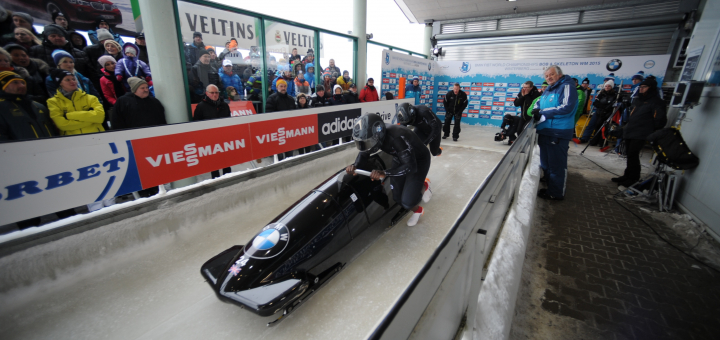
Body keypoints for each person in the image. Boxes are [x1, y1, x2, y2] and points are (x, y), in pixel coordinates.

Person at [346, 114, 432, 226]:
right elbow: (364, 153)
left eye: (367, 142)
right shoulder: (373, 136)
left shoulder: (396, 138)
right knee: (396, 197)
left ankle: (425, 186)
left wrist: (385, 173)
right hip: (399, 158)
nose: (366, 146)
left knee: (407, 202)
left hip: (418, 161)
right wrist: (355, 166)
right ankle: (418, 210)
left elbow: (410, 166)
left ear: (379, 134)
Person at [530, 65, 578, 201]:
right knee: (546, 162)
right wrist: (537, 110)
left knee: (556, 164)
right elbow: (538, 103)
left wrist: (543, 113)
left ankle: (556, 192)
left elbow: (567, 107)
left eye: (551, 74)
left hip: (558, 132)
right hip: (545, 130)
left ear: (559, 75)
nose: (549, 77)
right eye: (546, 76)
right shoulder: (549, 89)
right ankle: (550, 184)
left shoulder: (567, 87)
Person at [611, 77, 666, 188]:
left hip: (642, 132)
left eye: (644, 87)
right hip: (631, 130)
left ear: (650, 88)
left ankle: (633, 178)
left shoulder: (657, 102)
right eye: (640, 87)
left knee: (633, 155)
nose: (641, 89)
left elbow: (660, 120)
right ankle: (627, 175)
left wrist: (650, 130)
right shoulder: (638, 100)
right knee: (629, 155)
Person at [47, 68, 105, 136]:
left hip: (97, 137)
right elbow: (62, 125)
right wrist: (91, 120)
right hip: (72, 141)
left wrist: (68, 115)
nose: (72, 81)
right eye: (67, 80)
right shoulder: (53, 102)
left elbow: (100, 117)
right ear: (60, 83)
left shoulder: (91, 98)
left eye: (73, 79)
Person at [191, 84, 232, 178]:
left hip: (224, 138)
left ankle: (228, 178)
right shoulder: (201, 106)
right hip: (210, 140)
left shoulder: (224, 105)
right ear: (207, 93)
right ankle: (215, 180)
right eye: (212, 93)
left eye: (216, 92)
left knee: (226, 161)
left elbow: (229, 120)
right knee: (214, 164)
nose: (215, 95)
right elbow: (196, 124)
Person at [0, 71, 54, 141]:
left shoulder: (39, 106)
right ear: (3, 86)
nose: (22, 86)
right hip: (20, 151)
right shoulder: (2, 108)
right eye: (15, 82)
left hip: (50, 149)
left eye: (23, 82)